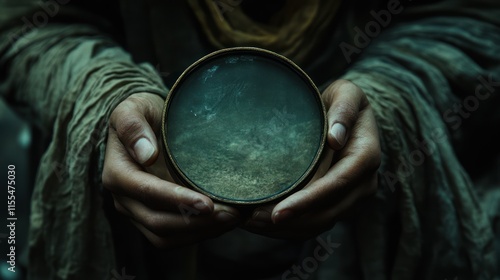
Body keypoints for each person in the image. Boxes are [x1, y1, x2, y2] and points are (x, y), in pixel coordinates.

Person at [0, 0, 499, 279]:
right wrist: (107, 93)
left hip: (363, 243)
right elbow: (28, 25)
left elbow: (474, 18)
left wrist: (387, 101)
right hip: (140, 249)